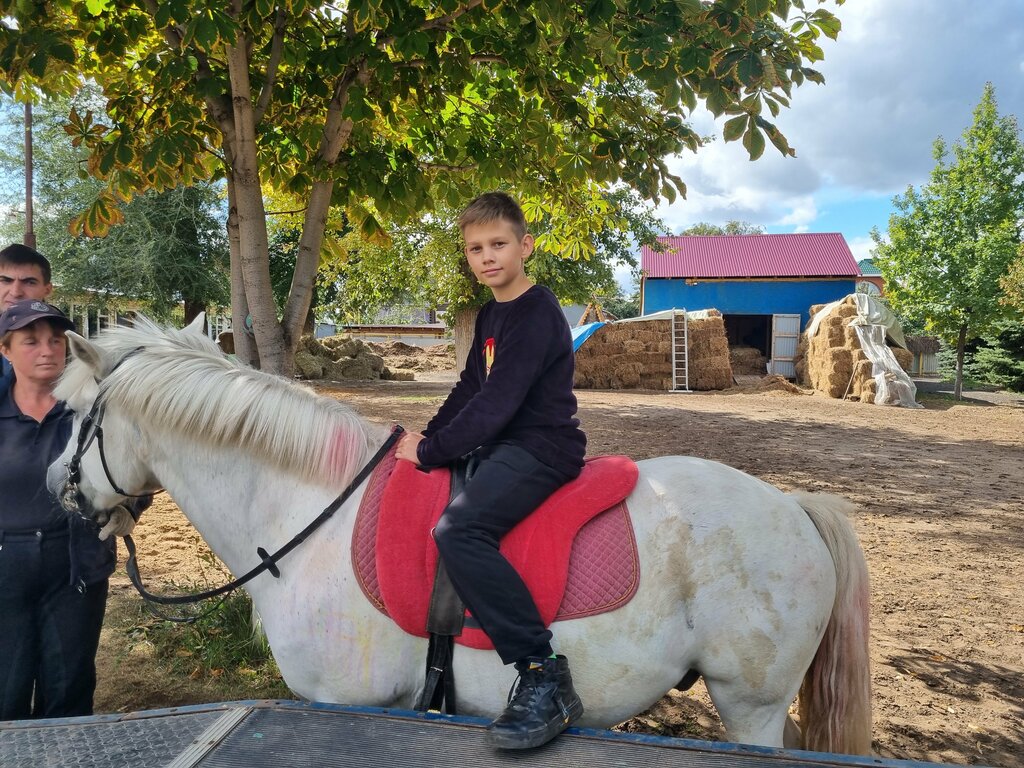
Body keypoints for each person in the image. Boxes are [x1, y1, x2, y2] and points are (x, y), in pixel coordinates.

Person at [395, 192, 587, 750]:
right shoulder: (491, 314)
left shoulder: (538, 313)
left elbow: (498, 403)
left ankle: (541, 671)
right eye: (475, 248)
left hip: (539, 448)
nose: (487, 257)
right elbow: (470, 388)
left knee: (459, 529)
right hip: (504, 442)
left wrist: (431, 453)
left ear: (525, 246)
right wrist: (427, 438)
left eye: (498, 244)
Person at [0, 299, 135, 720]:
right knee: (6, 686)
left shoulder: (91, 410)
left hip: (77, 564)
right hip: (6, 566)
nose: (47, 350)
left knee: (69, 685)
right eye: (31, 341)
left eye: (56, 339)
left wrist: (131, 508)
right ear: (5, 350)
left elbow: (130, 465)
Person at [0, 244, 55, 400]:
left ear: (47, 289)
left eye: (29, 282)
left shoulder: (68, 342)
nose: (16, 292)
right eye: (5, 280)